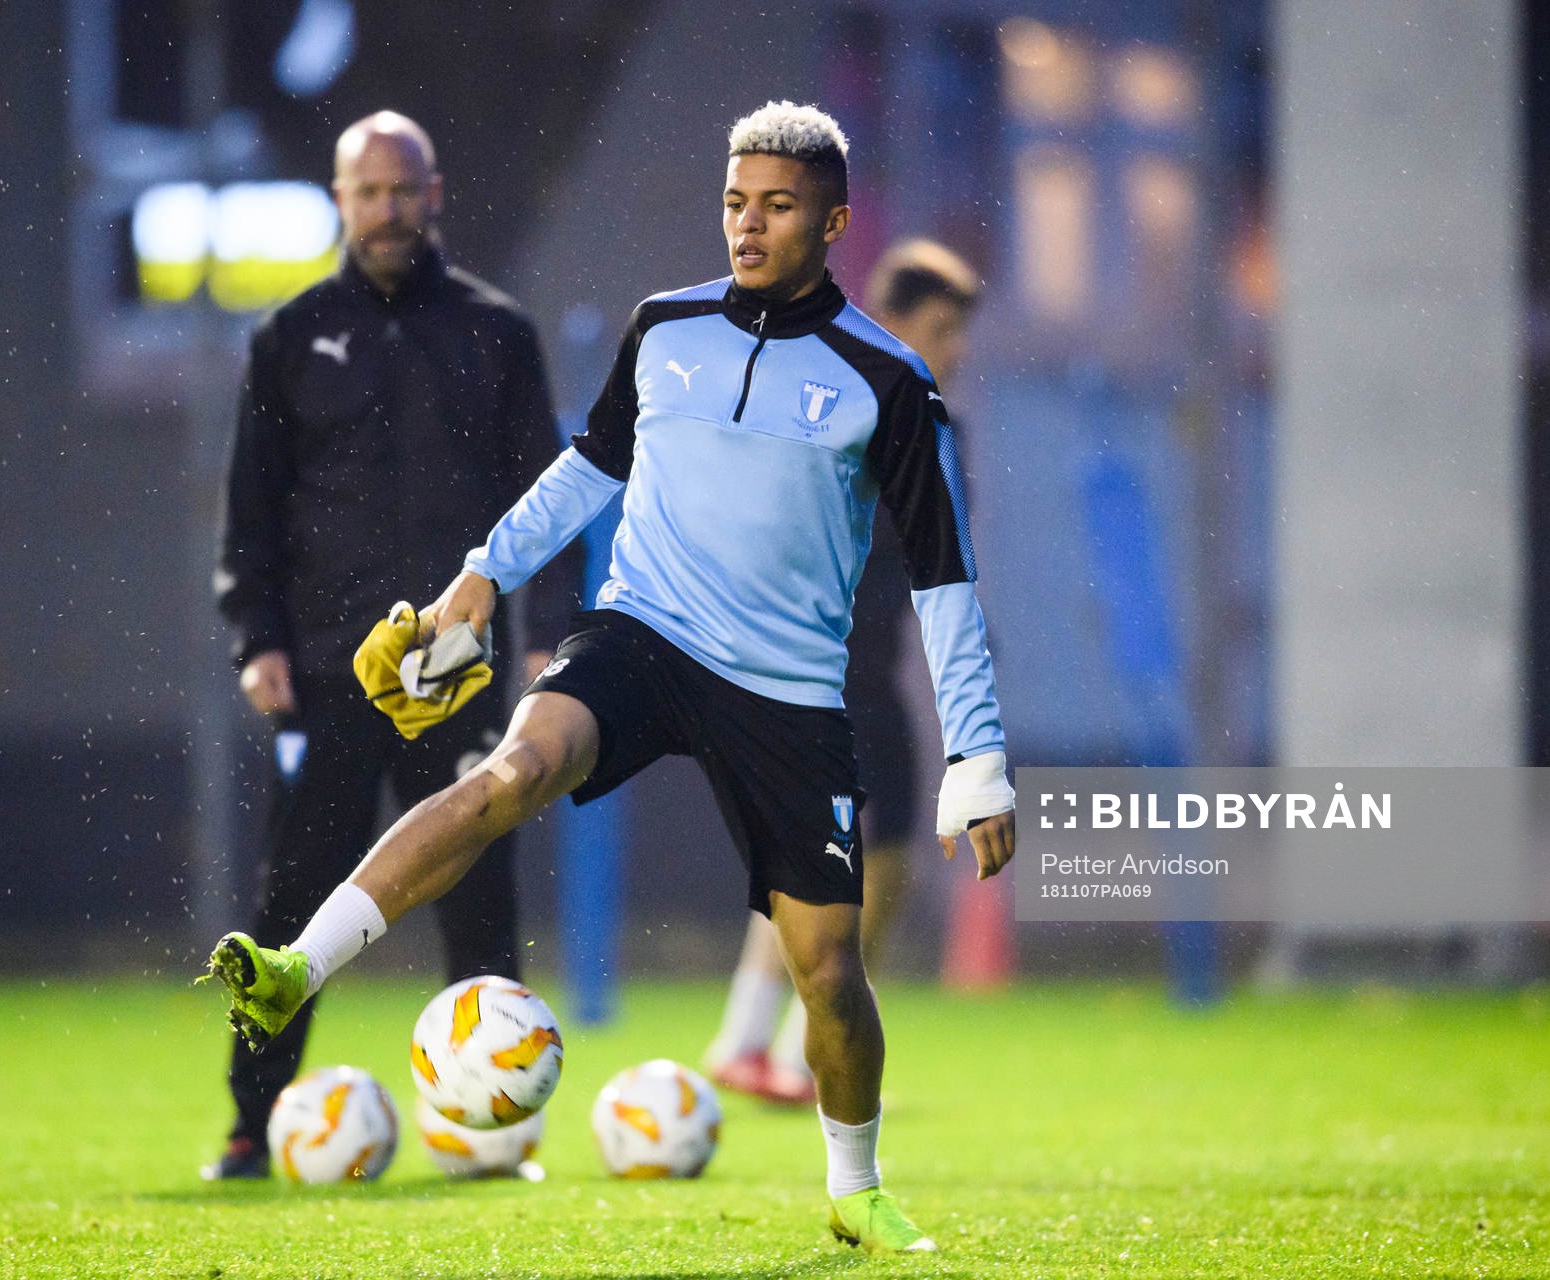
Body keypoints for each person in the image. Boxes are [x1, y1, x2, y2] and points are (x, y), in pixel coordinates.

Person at [202, 101, 1016, 1254]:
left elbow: (947, 580)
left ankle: (854, 1182)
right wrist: (482, 576)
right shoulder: (666, 327)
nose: (749, 224)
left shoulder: (889, 381)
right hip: (639, 632)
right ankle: (296, 966)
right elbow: (586, 471)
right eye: (736, 202)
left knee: (828, 965)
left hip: (785, 687)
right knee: (508, 772)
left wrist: (979, 758)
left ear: (834, 221)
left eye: (778, 207)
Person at [205, 111, 574, 1179]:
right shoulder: (287, 336)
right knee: (293, 897)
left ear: (435, 192)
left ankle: (492, 1130)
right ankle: (249, 1119)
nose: (386, 208)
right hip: (324, 678)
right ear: (339, 199)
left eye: (402, 189)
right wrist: (255, 636)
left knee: (478, 890)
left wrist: (548, 635)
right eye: (366, 191)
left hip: (460, 678)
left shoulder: (498, 332)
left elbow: (547, 500)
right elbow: (252, 509)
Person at [703, 239, 982, 1106]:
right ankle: (796, 1051)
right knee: (884, 854)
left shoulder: (934, 424)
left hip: (853, 659)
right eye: (940, 328)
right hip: (818, 656)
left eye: (960, 332)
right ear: (891, 321)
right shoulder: (832, 405)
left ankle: (756, 1043)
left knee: (825, 848)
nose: (954, 348)